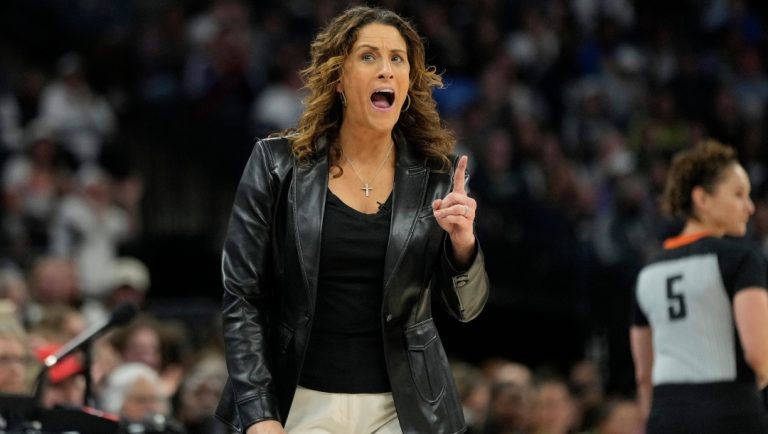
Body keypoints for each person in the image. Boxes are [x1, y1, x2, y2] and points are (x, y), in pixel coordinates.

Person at [215, 6, 489, 434]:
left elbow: (467, 309)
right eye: (368, 56)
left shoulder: (439, 175)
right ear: (338, 77)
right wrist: (259, 413)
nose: (386, 69)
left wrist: (463, 245)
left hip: (404, 411)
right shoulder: (276, 165)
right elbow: (242, 296)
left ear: (409, 80)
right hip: (301, 403)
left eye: (397, 59)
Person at [630, 140, 768, 433]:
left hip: (666, 417)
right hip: (731, 414)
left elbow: (644, 374)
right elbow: (759, 354)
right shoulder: (742, 258)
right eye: (738, 194)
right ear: (702, 199)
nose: (750, 207)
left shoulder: (647, 273)